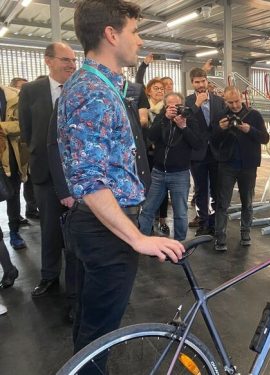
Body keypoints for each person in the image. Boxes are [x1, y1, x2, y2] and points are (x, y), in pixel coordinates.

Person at [57, 0, 184, 352]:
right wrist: (137, 238)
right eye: (135, 31)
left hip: (97, 224)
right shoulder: (92, 91)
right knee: (99, 336)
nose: (140, 40)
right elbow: (90, 180)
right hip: (105, 229)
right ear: (111, 34)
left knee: (90, 325)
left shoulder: (98, 86)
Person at [19, 42, 77, 298]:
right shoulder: (31, 91)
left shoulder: (79, 88)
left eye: (74, 60)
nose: (71, 65)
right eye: (65, 59)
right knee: (50, 228)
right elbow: (26, 130)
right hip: (44, 173)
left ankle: (77, 280)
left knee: (78, 230)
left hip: (77, 174)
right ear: (48, 60)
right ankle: (49, 276)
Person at [138, 92, 204, 240]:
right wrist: (164, 119)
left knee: (180, 213)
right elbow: (151, 136)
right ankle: (142, 242)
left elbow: (197, 144)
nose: (174, 109)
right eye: (170, 106)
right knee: (148, 210)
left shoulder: (190, 119)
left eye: (177, 106)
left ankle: (180, 246)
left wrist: (183, 127)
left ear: (183, 105)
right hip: (158, 172)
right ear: (165, 105)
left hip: (179, 173)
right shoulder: (161, 118)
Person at [212, 86, 269, 251]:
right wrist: (220, 129)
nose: (235, 105)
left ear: (241, 98)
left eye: (237, 101)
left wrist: (249, 129)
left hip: (248, 165)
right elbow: (212, 140)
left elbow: (265, 138)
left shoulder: (254, 115)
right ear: (225, 102)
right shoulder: (220, 116)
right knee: (222, 203)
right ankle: (220, 238)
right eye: (230, 102)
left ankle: (246, 233)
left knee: (247, 202)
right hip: (227, 164)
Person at [185, 67, 226, 236]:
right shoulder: (187, 102)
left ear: (207, 81)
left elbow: (222, 124)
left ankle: (215, 223)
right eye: (197, 82)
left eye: (203, 81)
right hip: (197, 153)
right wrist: (197, 104)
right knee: (201, 190)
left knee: (217, 190)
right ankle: (203, 224)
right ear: (192, 83)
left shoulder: (218, 101)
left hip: (216, 152)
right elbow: (184, 121)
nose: (201, 85)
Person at [0, 83, 28, 250]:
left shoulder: (13, 96)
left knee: (13, 195)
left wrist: (3, 127)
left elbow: (23, 124)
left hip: (9, 155)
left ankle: (14, 232)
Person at [8, 77, 38, 222]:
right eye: (21, 88)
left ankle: (31, 209)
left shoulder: (29, 105)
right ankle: (15, 218)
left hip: (27, 151)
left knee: (30, 182)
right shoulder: (9, 107)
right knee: (14, 189)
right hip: (13, 154)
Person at [144, 77, 170, 235]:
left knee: (163, 187)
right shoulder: (143, 108)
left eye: (161, 88)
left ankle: (162, 220)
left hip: (163, 154)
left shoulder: (167, 109)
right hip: (146, 154)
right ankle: (147, 220)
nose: (159, 91)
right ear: (148, 91)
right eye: (156, 88)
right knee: (148, 187)